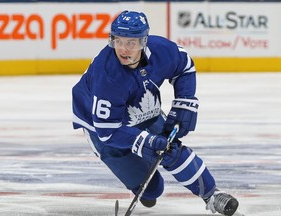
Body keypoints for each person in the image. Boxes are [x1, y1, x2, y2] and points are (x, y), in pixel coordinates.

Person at [72, 10, 239, 216]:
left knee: (171, 151)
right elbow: (108, 131)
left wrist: (184, 102)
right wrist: (147, 142)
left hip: (143, 109)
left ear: (143, 42)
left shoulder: (160, 50)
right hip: (102, 126)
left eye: (131, 43)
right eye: (118, 41)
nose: (123, 49)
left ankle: (212, 195)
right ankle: (147, 191)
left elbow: (184, 66)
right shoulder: (108, 76)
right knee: (153, 189)